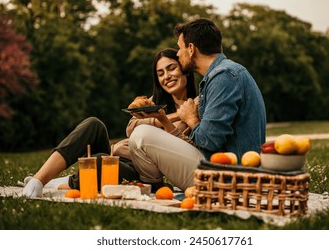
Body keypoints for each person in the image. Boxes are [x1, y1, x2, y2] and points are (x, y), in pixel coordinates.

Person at [22, 48, 197, 198]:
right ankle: (39, 179)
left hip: (141, 172)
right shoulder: (155, 102)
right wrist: (169, 117)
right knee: (93, 124)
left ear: (185, 70)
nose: (166, 76)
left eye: (171, 68)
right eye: (160, 73)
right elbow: (131, 128)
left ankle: (58, 183)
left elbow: (184, 152)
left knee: (100, 162)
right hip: (119, 154)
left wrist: (166, 119)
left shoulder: (196, 108)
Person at [128, 18, 266, 191]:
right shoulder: (223, 74)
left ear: (191, 49)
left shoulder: (224, 76)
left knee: (142, 136)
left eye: (180, 47)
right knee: (141, 133)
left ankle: (155, 190)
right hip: (226, 169)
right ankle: (158, 189)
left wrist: (192, 119)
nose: (178, 54)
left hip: (230, 178)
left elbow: (208, 141)